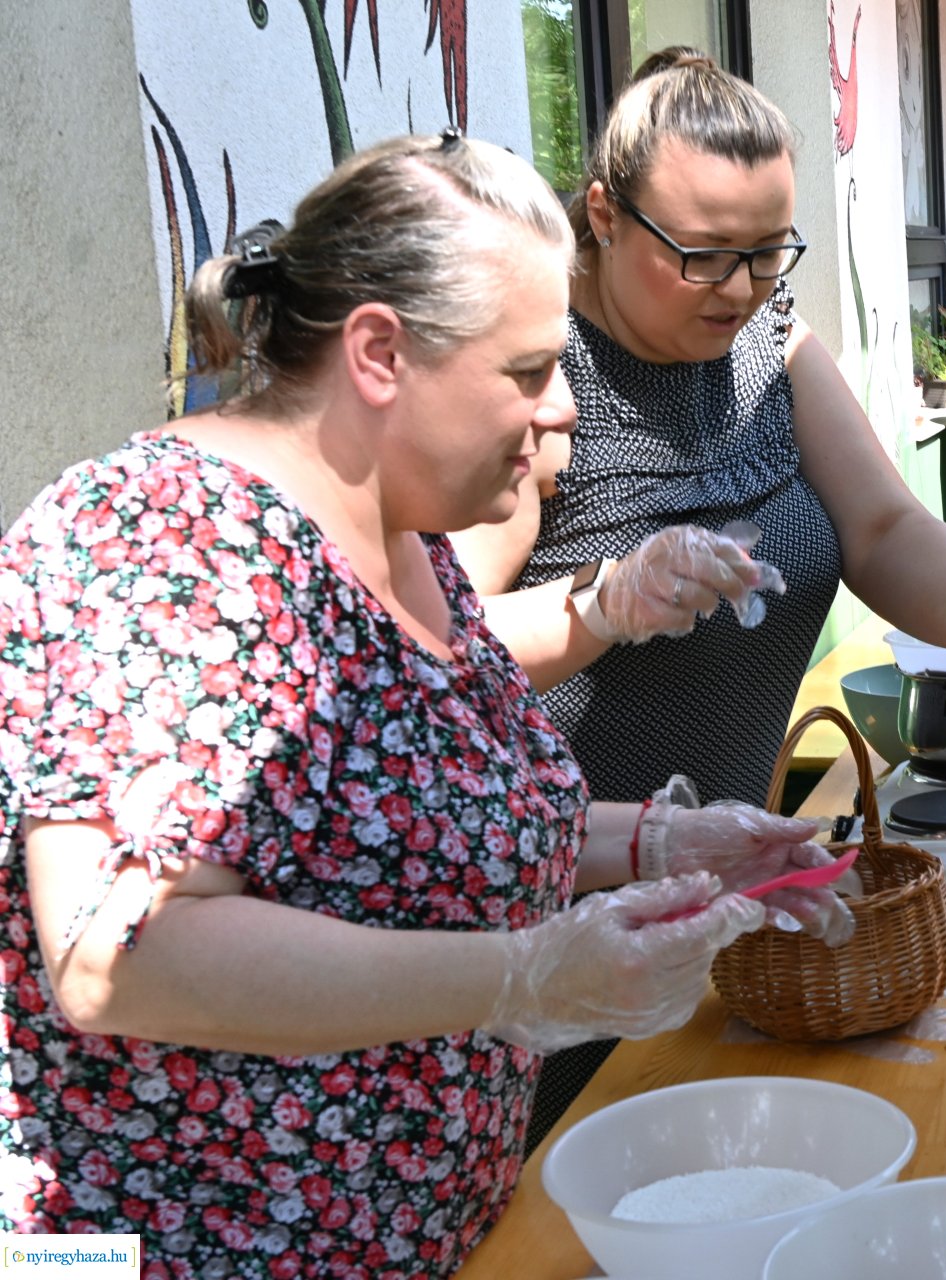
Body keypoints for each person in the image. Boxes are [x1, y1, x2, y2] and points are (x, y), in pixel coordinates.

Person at [0, 132, 854, 1275]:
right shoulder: (161, 539)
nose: (560, 414)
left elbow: (405, 822)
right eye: (526, 372)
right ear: (378, 353)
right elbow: (121, 951)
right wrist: (518, 974)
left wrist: (662, 836)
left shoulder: (400, 535)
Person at [444, 49, 946, 1145]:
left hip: (720, 889)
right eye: (704, 256)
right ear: (604, 216)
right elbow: (438, 656)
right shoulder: (542, 376)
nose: (744, 287)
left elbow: (883, 526)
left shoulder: (769, 343)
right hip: (556, 907)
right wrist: (604, 598)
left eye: (767, 250)